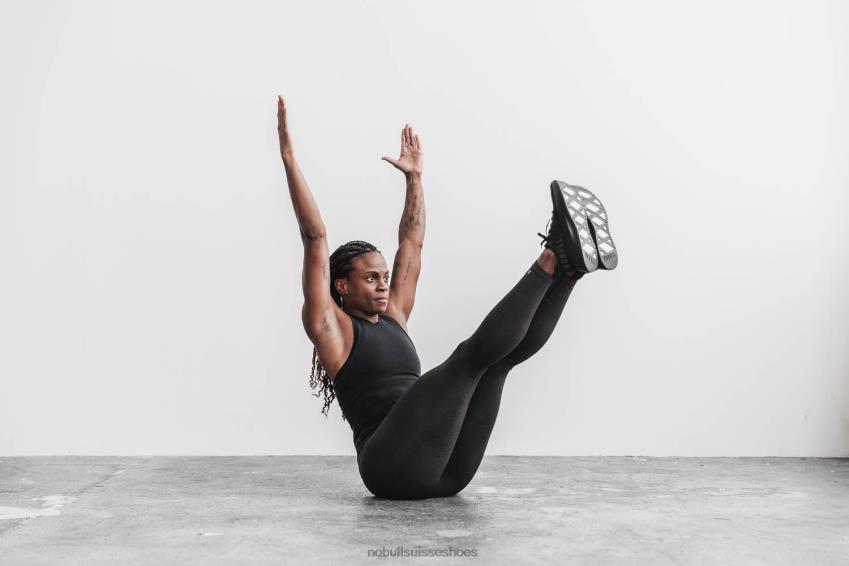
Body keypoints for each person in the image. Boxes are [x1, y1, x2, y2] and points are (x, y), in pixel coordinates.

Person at [277, 95, 618, 499]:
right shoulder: (332, 329)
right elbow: (314, 236)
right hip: (389, 468)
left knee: (497, 365)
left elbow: (412, 242)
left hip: (446, 470)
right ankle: (549, 256)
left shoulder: (394, 313)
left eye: (385, 276)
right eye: (371, 278)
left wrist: (414, 179)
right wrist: (289, 158)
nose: (383, 284)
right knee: (466, 361)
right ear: (341, 286)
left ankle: (567, 270)